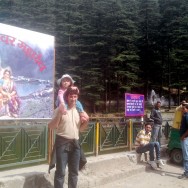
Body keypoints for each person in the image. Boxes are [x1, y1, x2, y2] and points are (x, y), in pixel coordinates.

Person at [48, 86, 89, 188]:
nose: (73, 99)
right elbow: (51, 126)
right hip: (62, 143)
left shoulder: (79, 111)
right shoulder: (60, 109)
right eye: (71, 96)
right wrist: (59, 114)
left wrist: (86, 121)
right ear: (67, 97)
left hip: (75, 144)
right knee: (60, 172)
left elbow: (81, 129)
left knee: (74, 172)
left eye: (75, 96)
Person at [178, 104, 188, 179]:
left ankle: (186, 173)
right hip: (185, 138)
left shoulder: (186, 116)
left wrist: (183, 136)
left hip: (185, 139)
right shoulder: (184, 116)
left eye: (183, 109)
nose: (182, 110)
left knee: (185, 156)